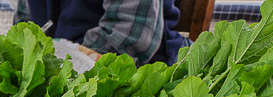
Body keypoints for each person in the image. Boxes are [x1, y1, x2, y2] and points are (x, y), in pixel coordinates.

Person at [15, 0, 188, 65]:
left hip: (137, 69)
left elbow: (130, 35)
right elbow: (25, 26)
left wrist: (67, 68)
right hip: (64, 67)